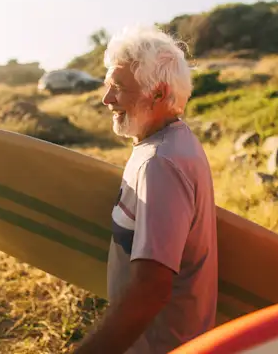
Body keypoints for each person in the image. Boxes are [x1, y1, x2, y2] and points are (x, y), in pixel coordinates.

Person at [73, 25, 218, 354]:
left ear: (158, 94)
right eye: (108, 85)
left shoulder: (161, 164)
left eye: (119, 87)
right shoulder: (169, 143)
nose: (106, 98)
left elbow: (150, 290)